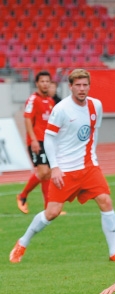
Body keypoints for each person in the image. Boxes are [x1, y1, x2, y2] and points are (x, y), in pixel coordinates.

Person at [9, 69, 115, 264]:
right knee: (52, 212)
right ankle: (22, 242)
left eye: (85, 85)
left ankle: (114, 252)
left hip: (88, 166)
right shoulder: (61, 109)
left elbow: (94, 132)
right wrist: (55, 167)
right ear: (70, 87)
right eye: (78, 85)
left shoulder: (96, 105)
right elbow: (49, 138)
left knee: (105, 201)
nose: (82, 89)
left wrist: (93, 155)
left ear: (89, 86)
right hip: (65, 170)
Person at [16, 70, 55, 214]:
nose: (45, 84)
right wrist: (33, 140)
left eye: (47, 81)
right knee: (43, 171)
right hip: (37, 141)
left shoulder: (50, 101)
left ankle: (48, 207)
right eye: (42, 81)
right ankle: (22, 195)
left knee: (47, 174)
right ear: (37, 83)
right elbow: (27, 119)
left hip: (48, 141)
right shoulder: (33, 99)